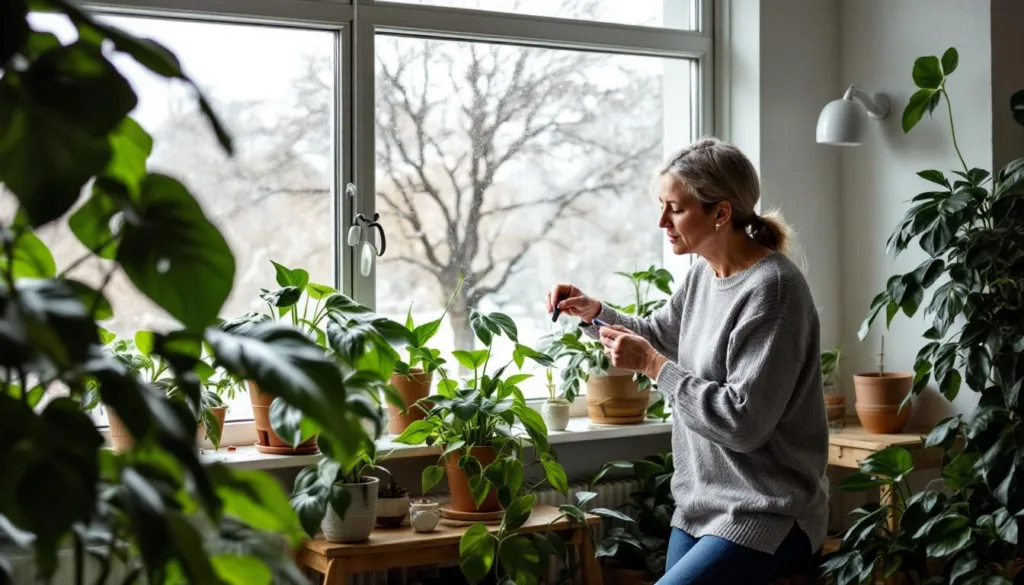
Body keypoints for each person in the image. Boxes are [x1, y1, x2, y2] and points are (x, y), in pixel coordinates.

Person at [545, 137, 829, 584]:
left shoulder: (773, 291)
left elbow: (743, 422)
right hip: (700, 505)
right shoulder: (703, 273)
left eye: (674, 209)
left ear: (721, 213)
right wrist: (596, 315)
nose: (662, 221)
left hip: (768, 511)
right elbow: (660, 336)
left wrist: (655, 366)